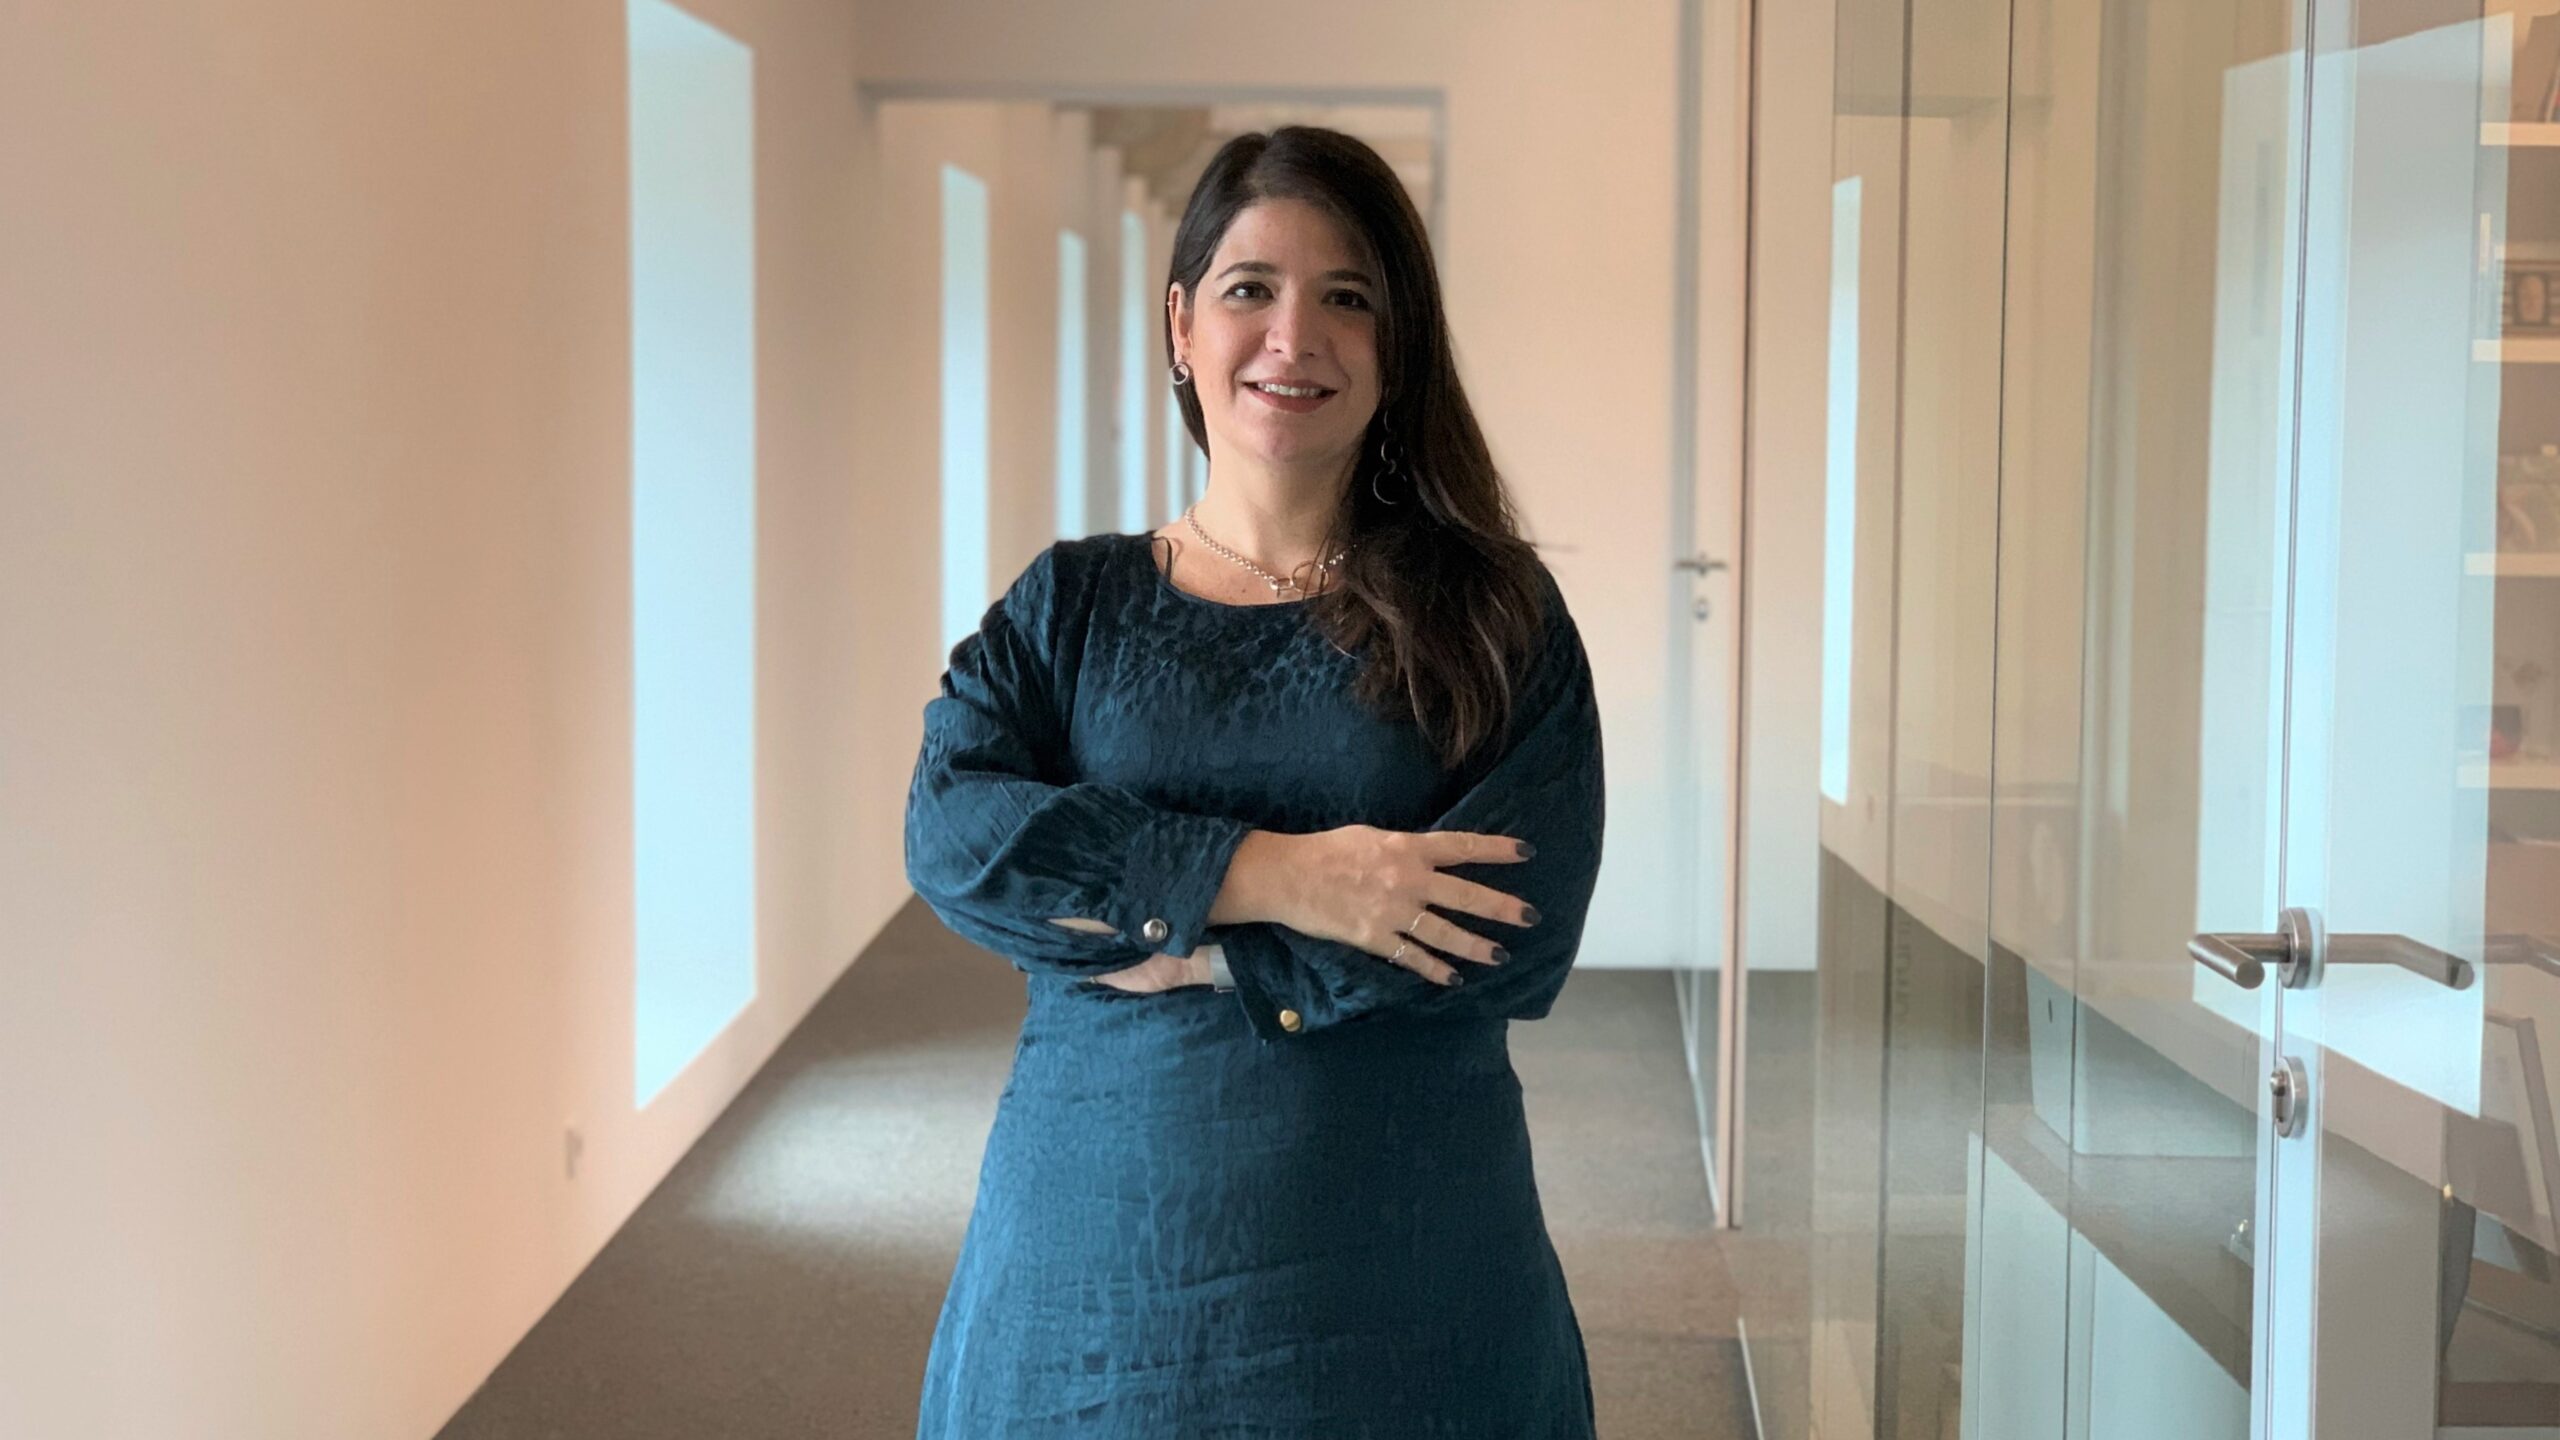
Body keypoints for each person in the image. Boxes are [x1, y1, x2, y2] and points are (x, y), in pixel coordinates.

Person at [904, 125, 1606, 1439]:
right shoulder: (1071, 606)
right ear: (1183, 324)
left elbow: (1520, 921)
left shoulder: (1492, 609)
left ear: (1398, 344)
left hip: (1406, 1251)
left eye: (1348, 297)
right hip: (1098, 1252)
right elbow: (959, 839)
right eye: (1251, 289)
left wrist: (1191, 948)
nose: (1296, 337)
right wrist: (1282, 878)